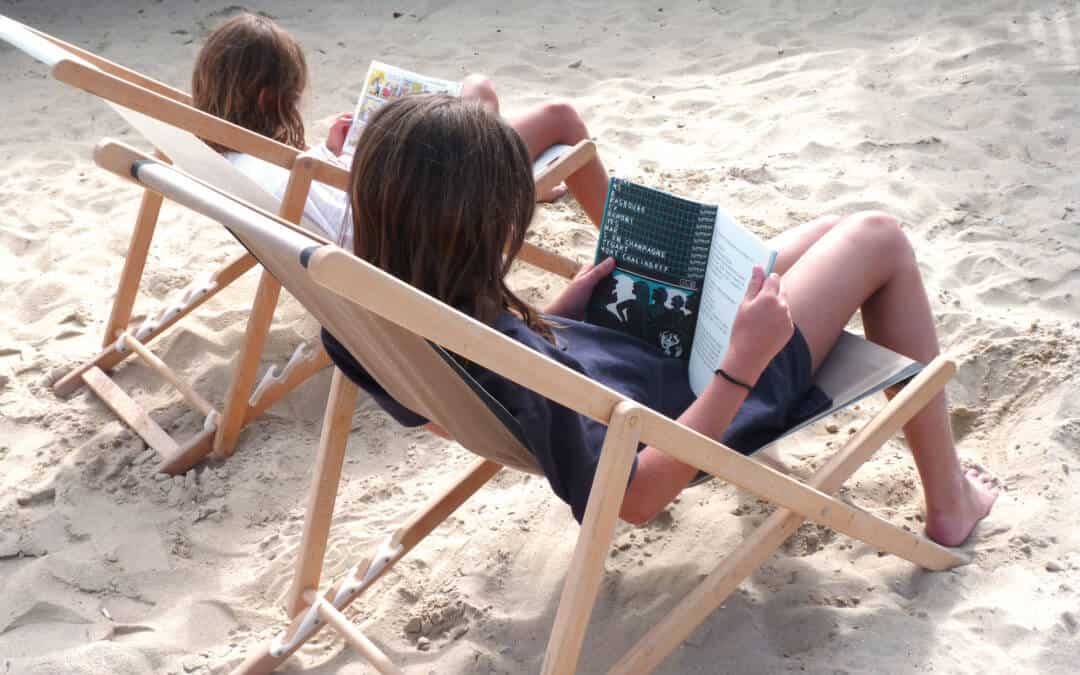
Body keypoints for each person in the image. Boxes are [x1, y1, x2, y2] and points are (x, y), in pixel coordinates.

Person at [322, 94, 997, 547]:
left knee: (826, 231)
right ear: (487, 226)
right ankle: (950, 501)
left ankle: (942, 482)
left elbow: (467, 394)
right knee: (878, 237)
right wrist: (742, 362)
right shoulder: (522, 368)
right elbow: (635, 497)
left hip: (623, 353)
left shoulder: (366, 311)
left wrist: (560, 317)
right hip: (705, 392)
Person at [191, 13, 610, 249]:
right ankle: (635, 257)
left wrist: (333, 155)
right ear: (268, 98)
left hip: (390, 202)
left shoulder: (228, 158)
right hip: (416, 222)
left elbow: (321, 204)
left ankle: (516, 183)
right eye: (293, 92)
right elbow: (349, 223)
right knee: (559, 116)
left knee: (478, 92)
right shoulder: (266, 165)